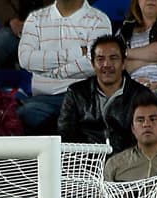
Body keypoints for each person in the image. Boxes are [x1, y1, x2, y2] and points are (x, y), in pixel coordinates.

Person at [16, 0, 113, 132]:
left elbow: (95, 63)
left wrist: (51, 72)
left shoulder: (99, 20)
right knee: (24, 114)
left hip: (82, 99)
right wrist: (78, 52)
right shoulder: (35, 19)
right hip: (42, 101)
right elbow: (26, 60)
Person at [57, 34, 149, 148]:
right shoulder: (76, 93)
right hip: (86, 160)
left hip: (127, 160)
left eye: (113, 58)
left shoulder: (141, 95)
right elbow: (66, 135)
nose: (106, 65)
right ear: (93, 64)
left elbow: (145, 137)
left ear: (123, 63)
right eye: (100, 59)